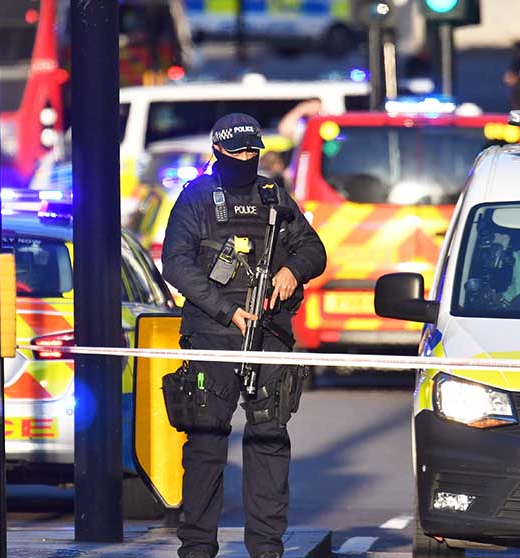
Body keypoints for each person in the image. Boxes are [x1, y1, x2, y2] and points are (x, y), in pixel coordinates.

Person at [161, 113, 327, 558]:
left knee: (270, 439)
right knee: (206, 444)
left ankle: (267, 548)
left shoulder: (273, 194)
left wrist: (293, 270)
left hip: (269, 334)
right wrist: (227, 310)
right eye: (238, 152)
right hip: (213, 334)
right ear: (218, 151)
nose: (247, 158)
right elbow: (175, 263)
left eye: (253, 151)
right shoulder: (196, 198)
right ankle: (197, 547)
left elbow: (314, 249)